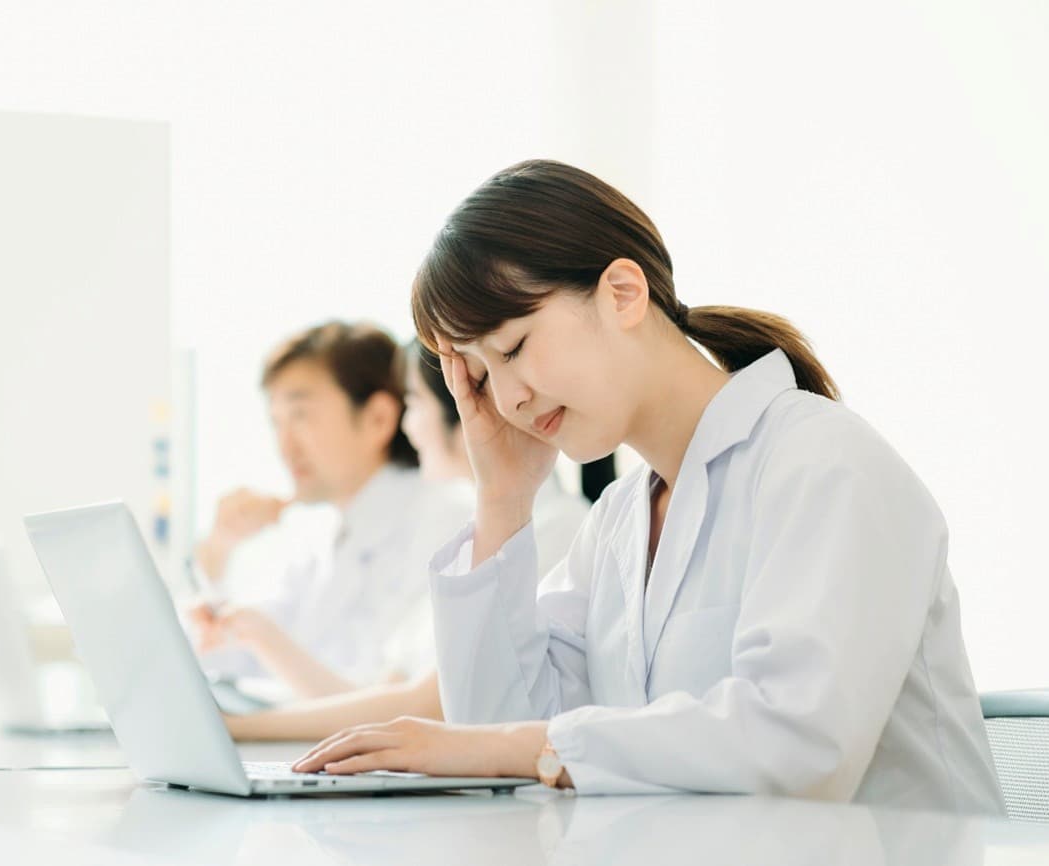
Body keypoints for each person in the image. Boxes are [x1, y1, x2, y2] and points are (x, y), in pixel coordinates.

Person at [291, 160, 1006, 815]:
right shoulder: (619, 519)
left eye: (512, 348)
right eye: (480, 376)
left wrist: (519, 747)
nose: (506, 399)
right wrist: (502, 500)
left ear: (623, 294)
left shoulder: (821, 462)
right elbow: (496, 736)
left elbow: (798, 745)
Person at [223, 340, 590, 741]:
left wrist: (236, 728)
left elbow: (428, 707)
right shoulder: (470, 536)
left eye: (414, 403)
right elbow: (374, 699)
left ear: (475, 404)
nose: (407, 426)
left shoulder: (554, 529)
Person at [190, 322, 472, 697]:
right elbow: (233, 659)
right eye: (276, 423)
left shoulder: (447, 520)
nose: (285, 445)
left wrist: (258, 634)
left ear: (378, 419)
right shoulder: (321, 532)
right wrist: (218, 554)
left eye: (301, 416)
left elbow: (389, 700)